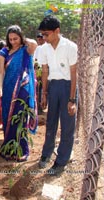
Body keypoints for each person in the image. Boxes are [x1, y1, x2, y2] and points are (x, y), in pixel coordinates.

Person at [37, 15, 78, 176]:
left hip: (68, 86)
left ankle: (61, 161)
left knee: (67, 125)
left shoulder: (70, 47)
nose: (44, 38)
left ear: (57, 31)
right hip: (53, 86)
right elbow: (45, 71)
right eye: (42, 35)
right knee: (51, 121)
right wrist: (44, 94)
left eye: (46, 34)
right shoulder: (44, 49)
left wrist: (72, 99)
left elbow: (74, 74)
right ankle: (47, 153)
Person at [0, 25, 38, 162]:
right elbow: (1, 71)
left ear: (21, 37)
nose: (13, 41)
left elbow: (34, 44)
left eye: (16, 38)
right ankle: (8, 149)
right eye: (10, 39)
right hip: (8, 88)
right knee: (8, 115)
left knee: (20, 117)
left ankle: (21, 150)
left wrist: (24, 40)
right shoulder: (4, 52)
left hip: (23, 88)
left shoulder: (26, 49)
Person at [34, 33, 46, 114]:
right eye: (38, 39)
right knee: (39, 89)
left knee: (40, 89)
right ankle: (39, 107)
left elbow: (36, 60)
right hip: (40, 70)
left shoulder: (41, 48)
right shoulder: (39, 47)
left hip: (42, 70)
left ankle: (41, 106)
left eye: (40, 39)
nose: (39, 41)